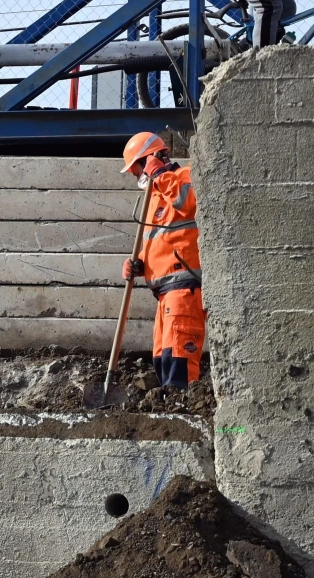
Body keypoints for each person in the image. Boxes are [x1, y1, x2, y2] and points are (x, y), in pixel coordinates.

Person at [120, 132, 205, 389]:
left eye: (137, 169)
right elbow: (161, 240)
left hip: (185, 287)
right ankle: (169, 408)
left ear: (148, 160)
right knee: (162, 357)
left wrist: (160, 175)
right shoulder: (154, 196)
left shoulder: (186, 177)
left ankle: (185, 410)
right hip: (165, 293)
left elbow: (186, 202)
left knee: (179, 357)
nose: (136, 176)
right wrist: (140, 264)